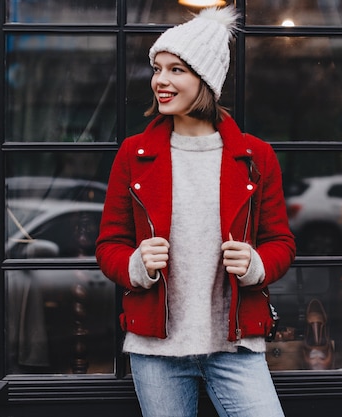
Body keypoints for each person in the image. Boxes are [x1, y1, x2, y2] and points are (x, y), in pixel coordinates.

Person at [96, 6, 295, 417]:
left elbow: (281, 242)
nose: (160, 81)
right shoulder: (134, 155)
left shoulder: (255, 156)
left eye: (176, 70)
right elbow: (109, 244)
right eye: (157, 68)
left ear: (205, 79)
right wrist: (136, 264)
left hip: (235, 345)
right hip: (156, 348)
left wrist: (257, 263)